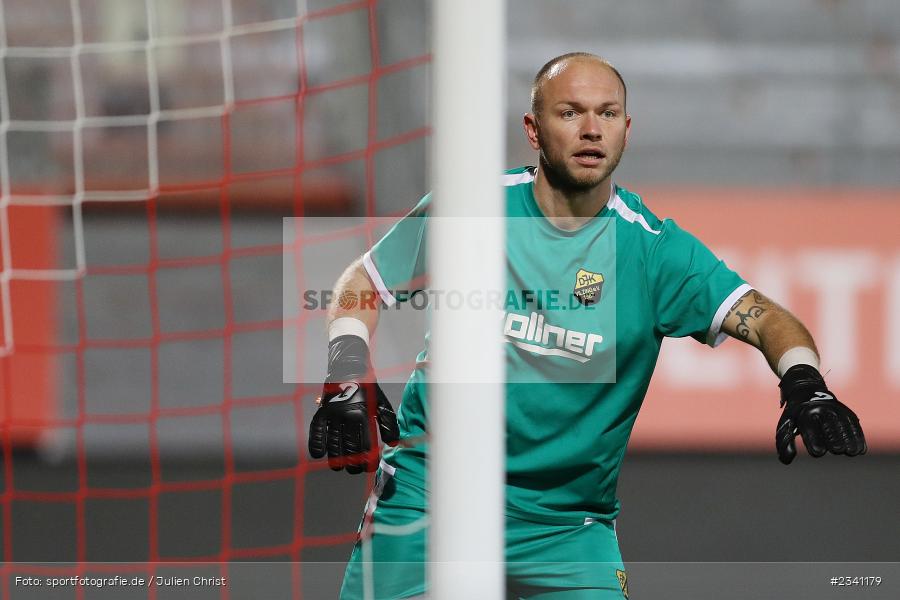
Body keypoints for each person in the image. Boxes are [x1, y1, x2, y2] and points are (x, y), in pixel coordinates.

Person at [308, 52, 867, 599]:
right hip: (431, 500)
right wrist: (348, 370)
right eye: (570, 112)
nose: (592, 129)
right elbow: (363, 282)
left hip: (566, 526)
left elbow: (769, 318)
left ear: (628, 128)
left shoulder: (654, 250)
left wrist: (804, 383)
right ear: (533, 128)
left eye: (607, 113)